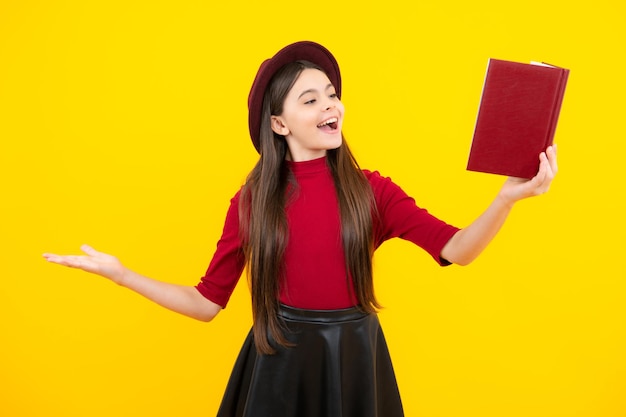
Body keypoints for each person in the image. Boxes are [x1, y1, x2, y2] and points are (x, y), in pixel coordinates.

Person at [43, 41, 558, 417]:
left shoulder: (372, 191)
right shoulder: (251, 203)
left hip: (354, 359)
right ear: (279, 124)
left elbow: (458, 249)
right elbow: (205, 304)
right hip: (278, 364)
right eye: (309, 100)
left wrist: (506, 198)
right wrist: (122, 275)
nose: (329, 106)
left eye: (331, 95)